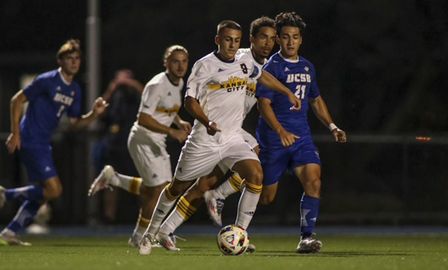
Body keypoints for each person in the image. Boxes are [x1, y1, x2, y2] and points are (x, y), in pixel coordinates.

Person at [138, 20, 301, 255]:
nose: (232, 45)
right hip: (205, 139)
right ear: (217, 40)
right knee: (177, 188)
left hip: (233, 137)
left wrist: (286, 91)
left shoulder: (245, 61)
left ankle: (240, 234)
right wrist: (206, 122)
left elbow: (262, 76)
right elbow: (189, 101)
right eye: (227, 39)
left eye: (236, 40)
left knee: (255, 174)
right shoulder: (204, 66)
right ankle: (152, 233)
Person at [0, 39, 108, 246]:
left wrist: (94, 115)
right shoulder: (47, 80)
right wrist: (15, 133)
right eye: (69, 58)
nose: (74, 62)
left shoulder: (75, 90)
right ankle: (5, 195)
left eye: (77, 58)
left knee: (41, 194)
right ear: (60, 61)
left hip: (43, 142)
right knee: (54, 190)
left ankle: (9, 232)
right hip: (30, 137)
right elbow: (16, 100)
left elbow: (75, 124)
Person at [256, 12, 347, 253]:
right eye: (285, 37)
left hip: (301, 139)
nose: (290, 42)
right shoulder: (271, 67)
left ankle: (306, 237)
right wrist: (280, 130)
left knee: (313, 181)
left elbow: (316, 100)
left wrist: (333, 126)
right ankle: (236, 209)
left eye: (294, 37)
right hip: (274, 139)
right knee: (266, 198)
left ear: (300, 40)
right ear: (278, 40)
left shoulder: (308, 66)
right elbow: (263, 105)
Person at [88, 45, 192, 247]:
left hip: (156, 140)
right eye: (175, 61)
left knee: (158, 190)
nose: (180, 66)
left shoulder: (178, 83)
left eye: (184, 61)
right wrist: (172, 131)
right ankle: (140, 238)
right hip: (143, 139)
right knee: (158, 192)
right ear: (166, 63)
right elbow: (143, 118)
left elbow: (166, 108)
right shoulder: (156, 85)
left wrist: (179, 122)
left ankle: (114, 178)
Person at [91, 69, 143, 224]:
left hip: (134, 144)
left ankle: (146, 217)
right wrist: (112, 88)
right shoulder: (114, 96)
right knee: (110, 181)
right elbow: (100, 112)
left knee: (142, 181)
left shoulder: (135, 94)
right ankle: (108, 217)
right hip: (115, 145)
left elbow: (148, 94)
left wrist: (130, 83)